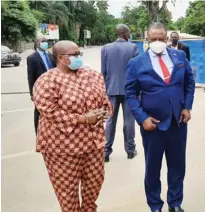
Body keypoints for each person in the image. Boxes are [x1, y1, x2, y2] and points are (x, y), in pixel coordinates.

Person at [33, 40, 112, 212]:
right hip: (62, 149)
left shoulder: (92, 75)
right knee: (68, 196)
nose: (79, 57)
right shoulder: (47, 81)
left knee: (94, 186)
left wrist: (103, 112)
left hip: (93, 144)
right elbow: (49, 111)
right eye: (75, 54)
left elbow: (105, 100)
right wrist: (83, 119)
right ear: (61, 58)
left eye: (79, 54)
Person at [125, 22, 195, 212]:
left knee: (177, 167)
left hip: (177, 123)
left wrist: (187, 107)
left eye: (160, 38)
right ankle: (155, 205)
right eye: (153, 39)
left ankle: (175, 203)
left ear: (167, 38)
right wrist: (142, 118)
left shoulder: (179, 56)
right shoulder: (136, 63)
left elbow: (189, 82)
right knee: (153, 169)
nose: (157, 42)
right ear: (147, 39)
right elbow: (130, 93)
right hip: (153, 125)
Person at [101, 24, 139, 162]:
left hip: (111, 89)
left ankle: (105, 151)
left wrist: (104, 90)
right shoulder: (133, 47)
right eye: (129, 32)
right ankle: (130, 150)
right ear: (125, 33)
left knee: (110, 120)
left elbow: (104, 72)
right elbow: (137, 71)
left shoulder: (106, 48)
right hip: (129, 90)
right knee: (129, 120)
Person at [27, 35, 55, 134]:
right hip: (40, 89)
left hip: (53, 88)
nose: (45, 43)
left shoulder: (51, 56)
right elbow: (31, 76)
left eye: (46, 41)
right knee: (38, 111)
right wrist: (32, 93)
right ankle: (38, 134)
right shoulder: (32, 58)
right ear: (38, 43)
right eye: (43, 41)